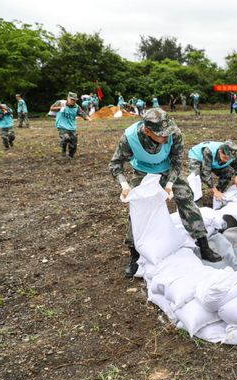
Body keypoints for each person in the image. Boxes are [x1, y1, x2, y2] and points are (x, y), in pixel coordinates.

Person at [109, 108, 222, 278]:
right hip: (143, 172)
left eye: (168, 132)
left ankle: (203, 244)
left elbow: (177, 162)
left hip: (168, 170)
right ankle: (134, 255)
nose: (166, 137)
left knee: (186, 199)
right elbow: (115, 164)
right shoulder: (130, 138)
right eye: (161, 135)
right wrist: (124, 185)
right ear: (147, 131)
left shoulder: (174, 133)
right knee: (138, 208)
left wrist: (169, 185)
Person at [49, 92, 90, 159]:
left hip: (71, 127)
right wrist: (60, 108)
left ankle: (71, 156)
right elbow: (51, 108)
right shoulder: (61, 102)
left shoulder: (76, 107)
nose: (73, 101)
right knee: (66, 137)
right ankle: (63, 150)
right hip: (62, 125)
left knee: (73, 142)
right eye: (72, 100)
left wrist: (87, 118)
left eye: (75, 100)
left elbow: (82, 113)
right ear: (68, 98)